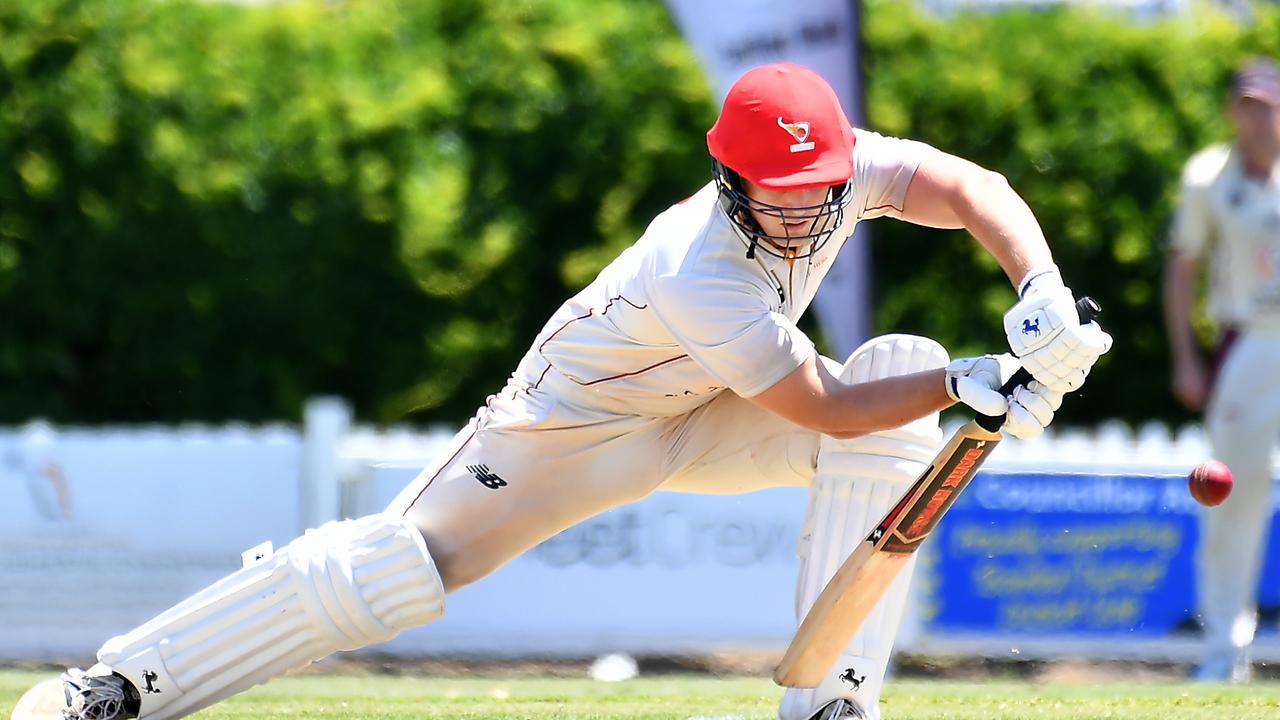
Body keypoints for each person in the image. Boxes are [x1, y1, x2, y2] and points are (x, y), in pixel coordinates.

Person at [30, 63, 1111, 720]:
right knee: (394, 572)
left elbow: (972, 187)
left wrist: (1039, 297)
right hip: (568, 434)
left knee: (897, 375)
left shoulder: (836, 167)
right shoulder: (699, 269)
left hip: (703, 423)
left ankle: (829, 700)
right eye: (777, 200)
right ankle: (121, 685)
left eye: (821, 193)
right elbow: (820, 403)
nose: (805, 217)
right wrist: (980, 379)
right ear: (728, 180)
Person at [1164, 57, 1280, 684]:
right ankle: (1223, 655)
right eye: (1247, 104)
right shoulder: (1208, 176)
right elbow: (1182, 267)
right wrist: (1186, 356)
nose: (1257, 116)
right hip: (1249, 345)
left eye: (1267, 103)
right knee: (1232, 499)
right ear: (1234, 111)